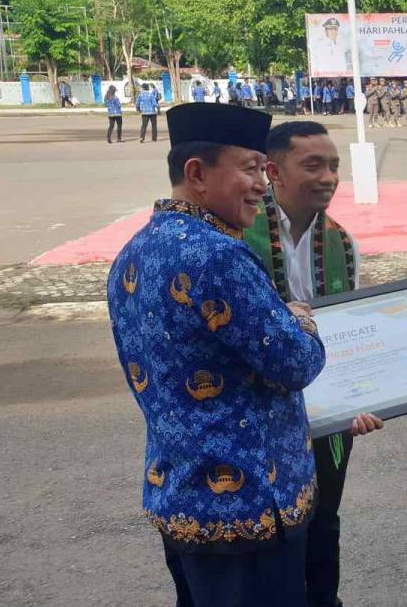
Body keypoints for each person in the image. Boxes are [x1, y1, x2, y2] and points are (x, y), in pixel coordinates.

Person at [105, 103, 326, 606]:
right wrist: (301, 319)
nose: (262, 185)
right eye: (249, 168)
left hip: (180, 495)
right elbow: (297, 362)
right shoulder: (219, 256)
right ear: (197, 173)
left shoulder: (134, 251)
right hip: (249, 507)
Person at [243, 120, 383, 607]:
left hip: (328, 410)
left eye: (333, 166)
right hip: (261, 410)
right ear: (273, 172)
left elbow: (350, 332)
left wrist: (362, 399)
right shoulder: (239, 235)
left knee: (324, 513)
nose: (328, 177)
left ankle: (324, 599)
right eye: (313, 165)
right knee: (272, 520)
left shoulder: (344, 244)